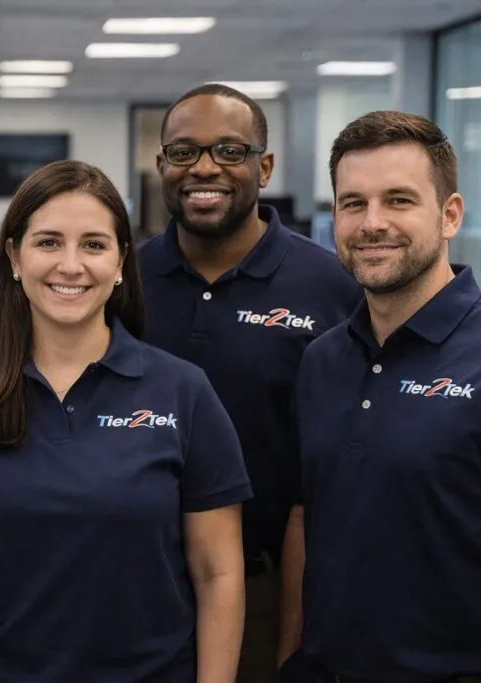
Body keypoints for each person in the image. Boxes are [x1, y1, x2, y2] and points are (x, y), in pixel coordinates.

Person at [0, 159, 251, 683]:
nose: (71, 265)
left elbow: (218, 572)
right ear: (15, 257)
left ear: (119, 263)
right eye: (48, 243)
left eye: (93, 244)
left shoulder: (183, 392)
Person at [280, 110, 481, 683]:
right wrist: (290, 657)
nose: (372, 223)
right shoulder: (322, 360)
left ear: (449, 214)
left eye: (399, 200)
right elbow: (308, 519)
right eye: (353, 203)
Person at [138, 82, 361, 681]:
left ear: (263, 167)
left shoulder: (333, 286)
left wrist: (297, 626)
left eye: (230, 151)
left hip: (271, 589)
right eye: (183, 152)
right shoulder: (120, 283)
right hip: (128, 584)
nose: (204, 167)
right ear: (162, 166)